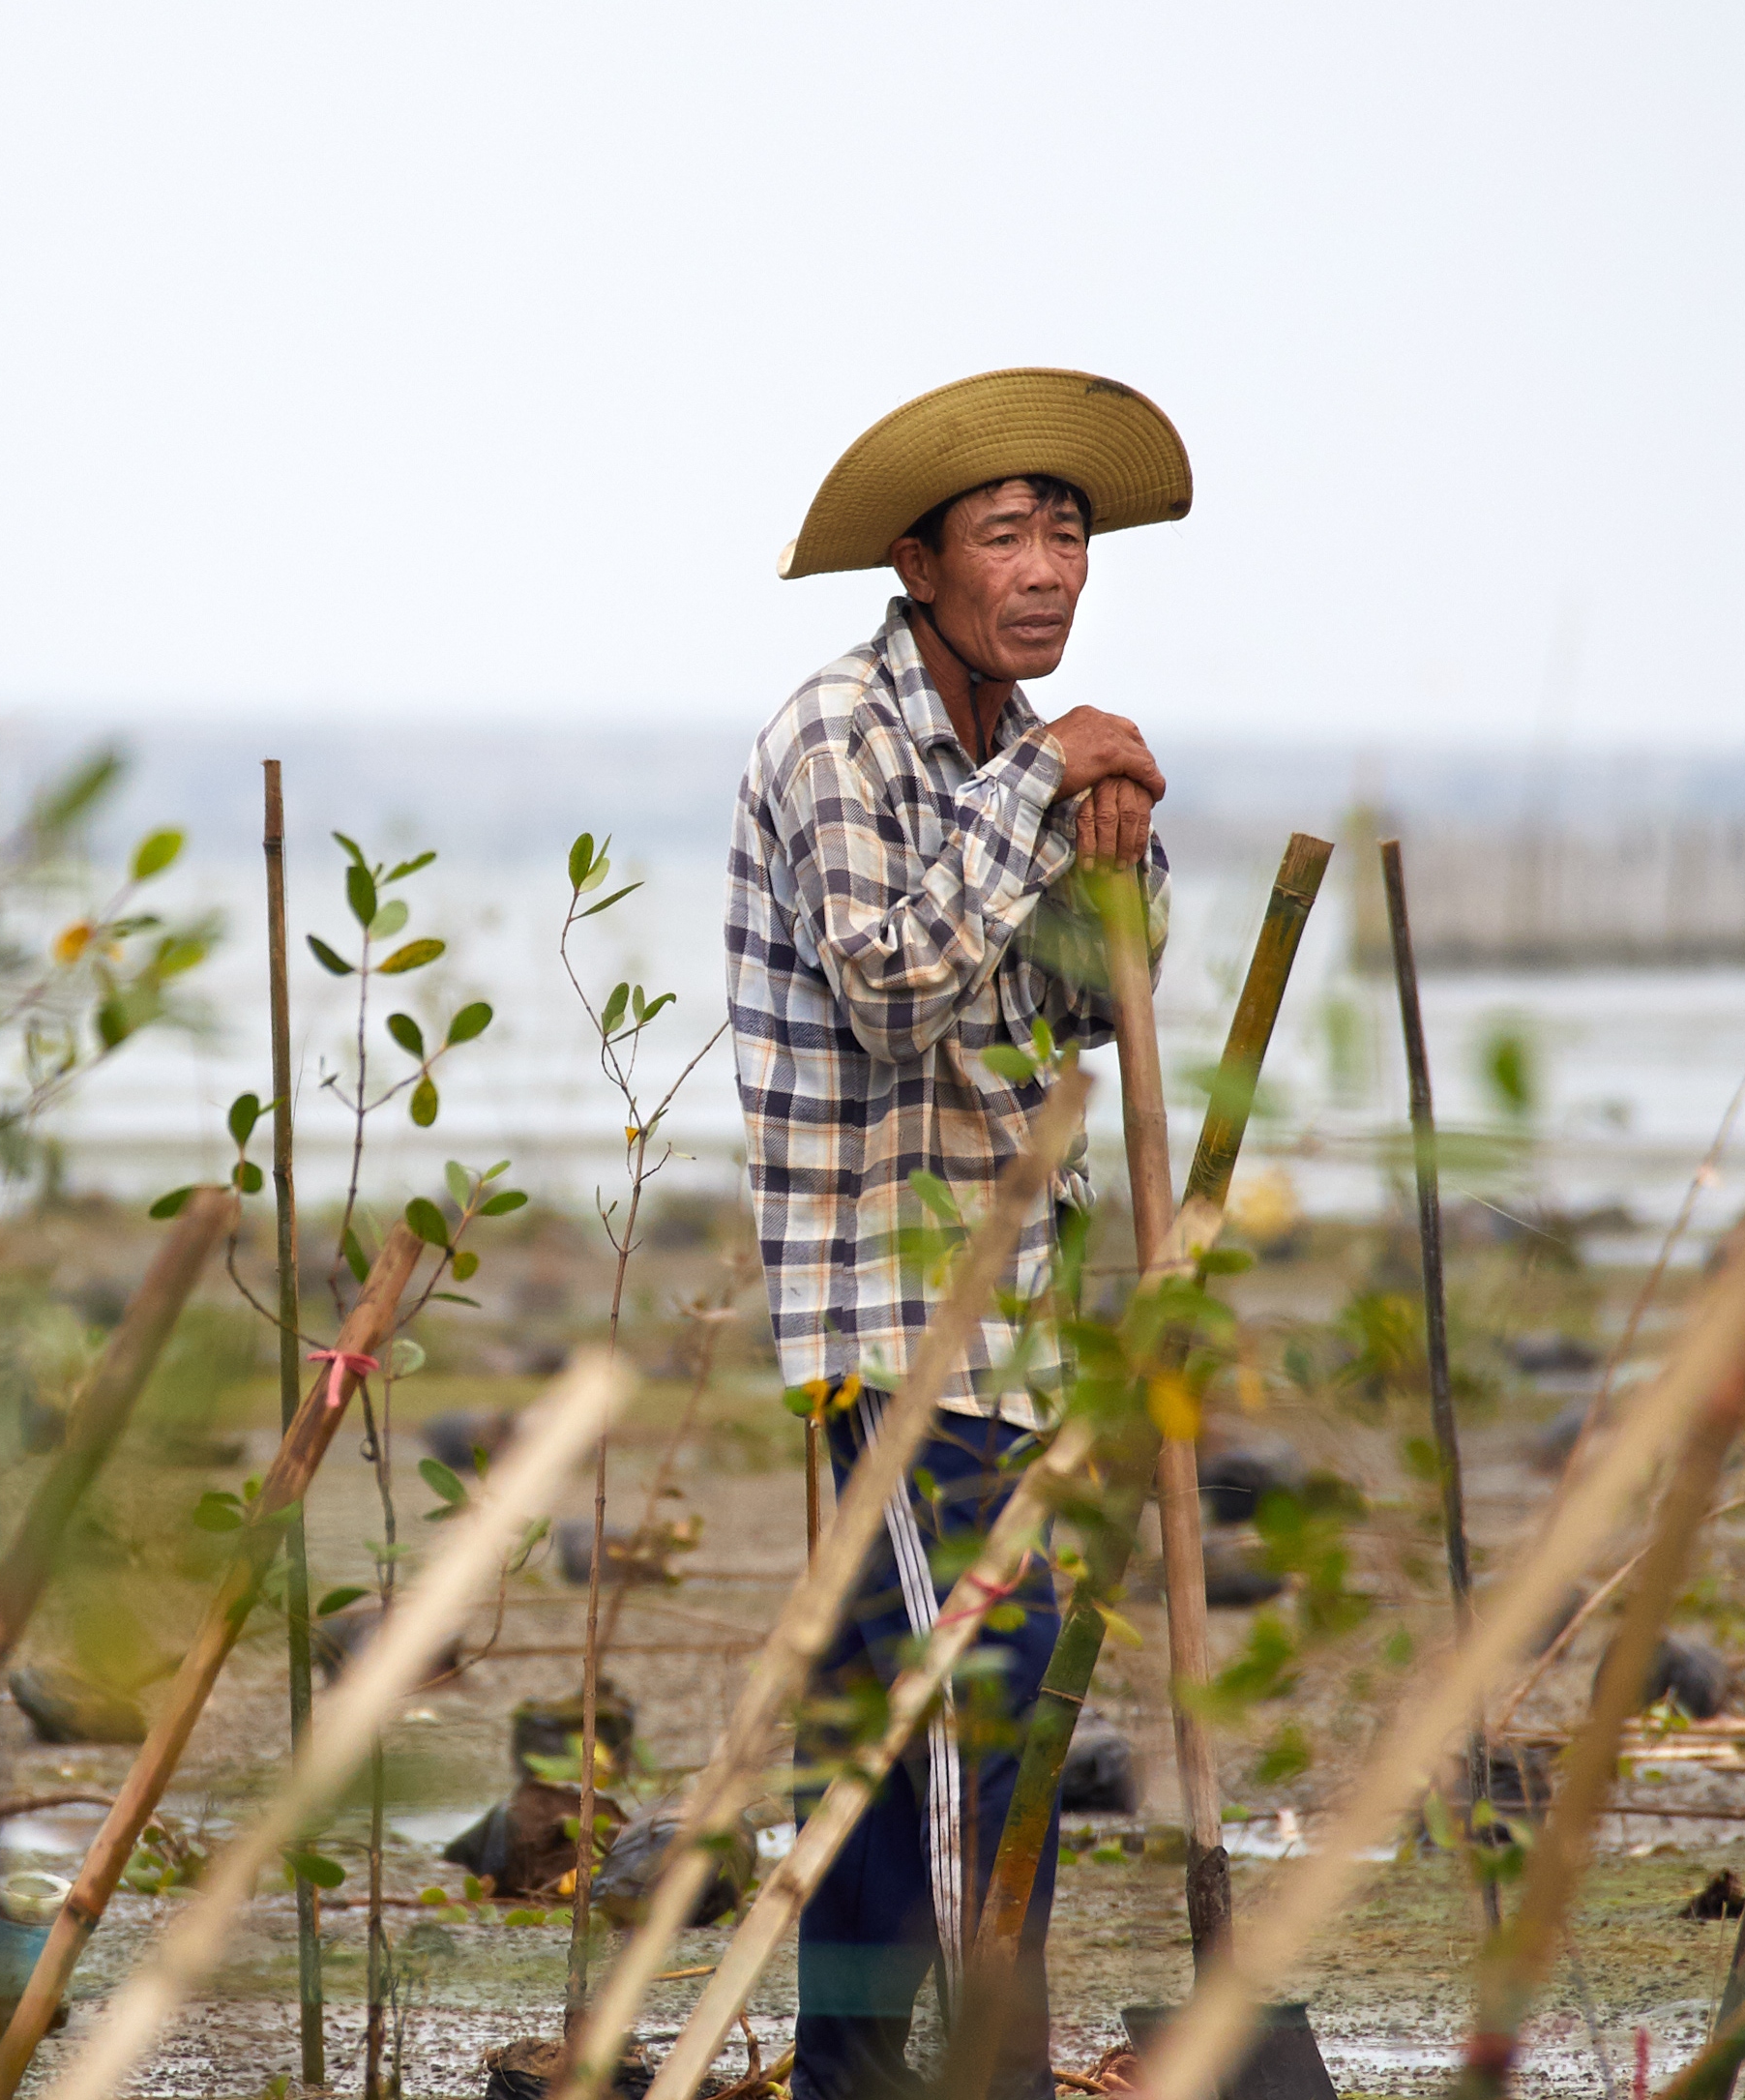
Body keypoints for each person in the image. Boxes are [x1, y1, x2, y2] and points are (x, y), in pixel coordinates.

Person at [725, 368, 1183, 2100]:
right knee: (970, 1725)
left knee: (887, 1738)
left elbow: (1079, 1016)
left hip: (1018, 1328)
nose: (1050, 566)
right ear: (918, 562)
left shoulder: (1007, 750)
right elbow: (897, 990)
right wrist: (1046, 785)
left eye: (1068, 532)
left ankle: (860, 2081)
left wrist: (1117, 852)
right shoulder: (836, 734)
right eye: (1008, 533)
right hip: (898, 1332)